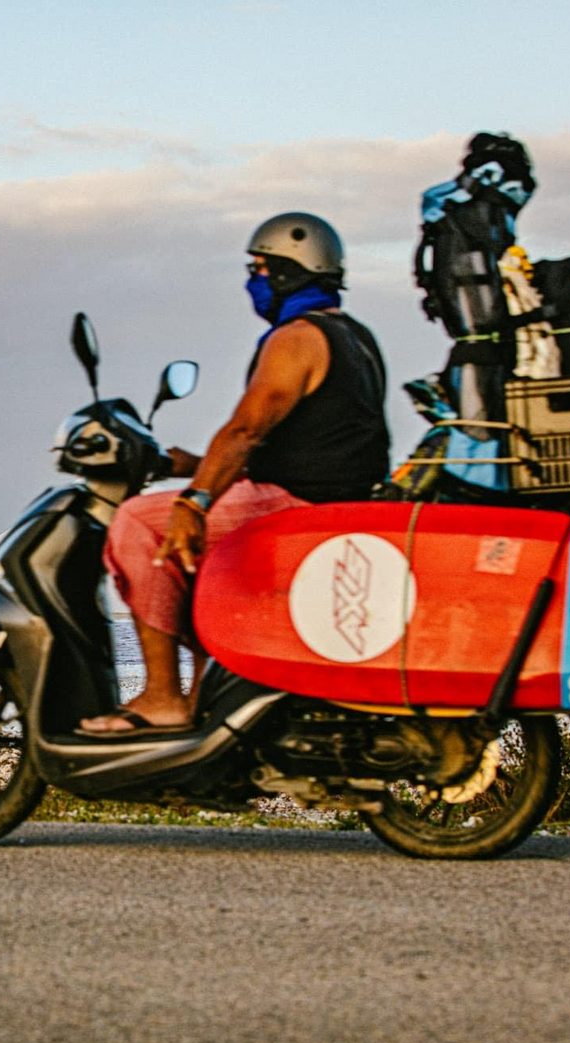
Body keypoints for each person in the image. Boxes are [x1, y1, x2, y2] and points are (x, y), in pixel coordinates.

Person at [79, 211, 390, 735]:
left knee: (139, 521)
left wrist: (193, 501)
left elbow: (247, 429)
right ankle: (206, 699)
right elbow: (311, 441)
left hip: (301, 507)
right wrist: (196, 468)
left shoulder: (296, 337)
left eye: (262, 268)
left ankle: (161, 698)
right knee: (197, 559)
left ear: (293, 271)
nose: (255, 280)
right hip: (334, 501)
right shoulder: (354, 338)